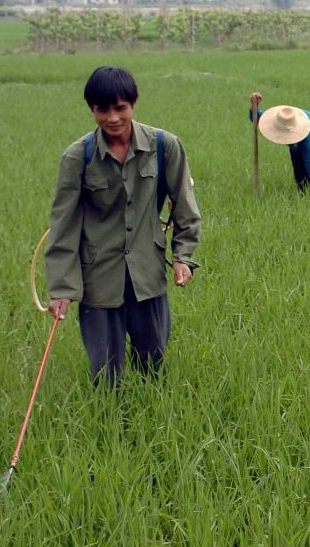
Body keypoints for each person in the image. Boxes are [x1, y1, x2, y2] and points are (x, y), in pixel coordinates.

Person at [45, 66, 201, 385]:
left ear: (133, 104)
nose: (113, 118)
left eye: (121, 108)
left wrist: (183, 257)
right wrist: (61, 288)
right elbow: (63, 224)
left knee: (152, 361)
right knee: (105, 370)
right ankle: (109, 426)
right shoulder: (78, 157)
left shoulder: (164, 146)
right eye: (103, 110)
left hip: (147, 271)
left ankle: (147, 419)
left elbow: (184, 206)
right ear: (92, 109)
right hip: (99, 276)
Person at [249, 92, 310, 195]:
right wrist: (254, 105)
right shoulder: (280, 119)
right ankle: (302, 197)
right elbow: (255, 117)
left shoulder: (305, 133)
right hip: (297, 144)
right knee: (300, 179)